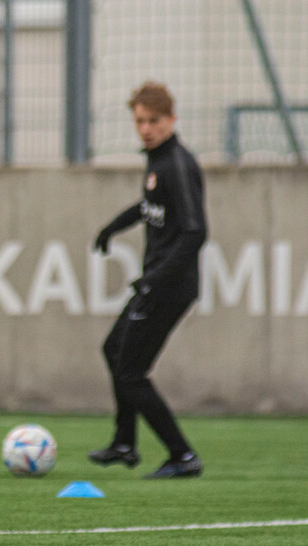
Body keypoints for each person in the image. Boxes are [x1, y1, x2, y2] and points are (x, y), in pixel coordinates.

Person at [87, 81, 207, 479]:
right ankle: (124, 443)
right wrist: (112, 227)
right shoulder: (157, 161)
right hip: (156, 283)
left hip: (169, 287)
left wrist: (155, 279)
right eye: (140, 121)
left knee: (131, 372)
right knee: (114, 349)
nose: (146, 128)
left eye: (154, 120)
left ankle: (182, 455)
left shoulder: (177, 163)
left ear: (171, 119)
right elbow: (149, 206)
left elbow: (195, 232)